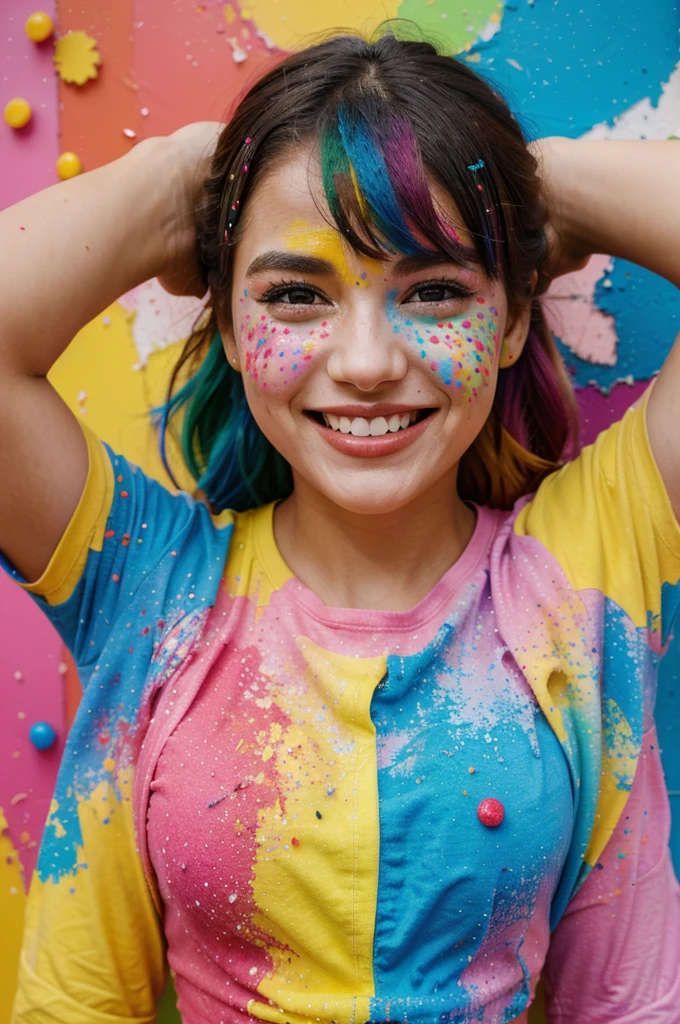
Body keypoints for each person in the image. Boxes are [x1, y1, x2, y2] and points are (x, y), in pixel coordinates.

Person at [0, 30, 678, 1024]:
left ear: (514, 317)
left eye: (435, 288)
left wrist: (546, 187)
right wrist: (172, 183)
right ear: (230, 325)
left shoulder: (589, 564)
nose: (363, 360)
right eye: (294, 295)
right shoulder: (143, 580)